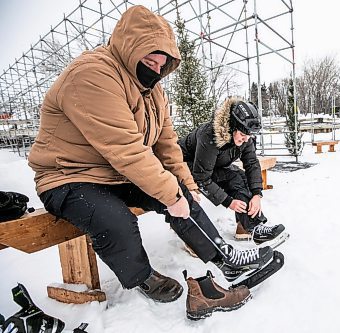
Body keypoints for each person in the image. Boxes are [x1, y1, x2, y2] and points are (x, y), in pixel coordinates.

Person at [27, 5, 274, 305]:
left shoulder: (152, 91)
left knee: (180, 191)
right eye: (149, 62)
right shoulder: (92, 76)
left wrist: (188, 188)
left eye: (161, 66)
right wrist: (171, 196)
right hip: (67, 177)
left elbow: (167, 145)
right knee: (116, 219)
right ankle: (143, 277)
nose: (155, 72)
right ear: (129, 50)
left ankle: (226, 258)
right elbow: (127, 149)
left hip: (115, 173)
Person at [178, 96, 287, 246]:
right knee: (231, 180)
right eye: (242, 135)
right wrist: (228, 201)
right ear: (231, 127)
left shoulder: (245, 137)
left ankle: (253, 228)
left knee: (240, 178)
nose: (245, 139)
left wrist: (256, 194)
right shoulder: (210, 135)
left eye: (249, 136)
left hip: (214, 165)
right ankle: (196, 240)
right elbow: (201, 178)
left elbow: (251, 163)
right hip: (185, 166)